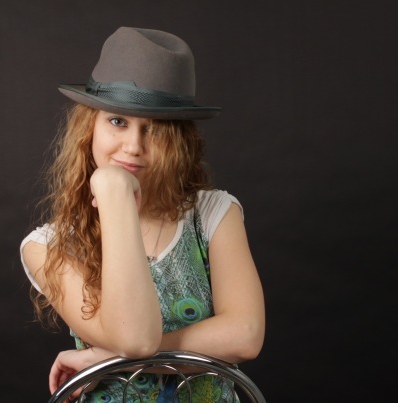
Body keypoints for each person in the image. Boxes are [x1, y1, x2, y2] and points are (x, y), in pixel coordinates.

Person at [20, 26, 265, 402]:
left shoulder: (213, 213)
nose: (134, 146)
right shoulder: (47, 247)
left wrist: (107, 360)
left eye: (154, 129)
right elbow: (134, 337)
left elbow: (245, 335)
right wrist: (115, 194)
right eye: (117, 121)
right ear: (90, 127)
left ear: (178, 141)